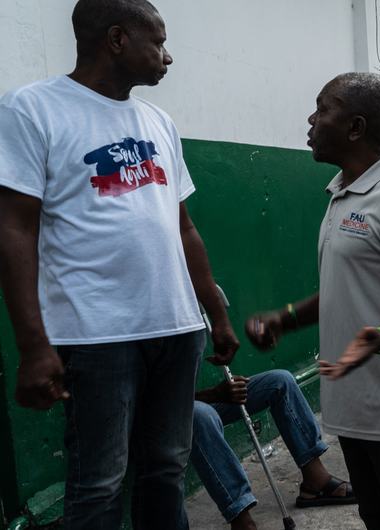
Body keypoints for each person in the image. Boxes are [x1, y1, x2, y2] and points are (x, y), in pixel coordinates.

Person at [0, 1, 240, 527]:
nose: (167, 56)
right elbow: (14, 228)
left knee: (166, 468)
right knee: (99, 482)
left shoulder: (158, 121)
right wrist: (34, 345)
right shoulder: (31, 108)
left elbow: (183, 227)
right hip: (95, 335)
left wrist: (214, 313)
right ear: (116, 39)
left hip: (176, 330)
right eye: (158, 42)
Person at [245, 73, 380, 528]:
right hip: (356, 407)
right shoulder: (342, 192)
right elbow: (350, 287)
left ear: (355, 127)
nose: (311, 118)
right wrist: (287, 317)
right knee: (378, 518)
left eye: (322, 109)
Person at [191, 370, 355, 530]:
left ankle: (315, 481)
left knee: (281, 381)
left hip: (202, 397)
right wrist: (213, 394)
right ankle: (242, 520)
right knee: (201, 416)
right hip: (174, 409)